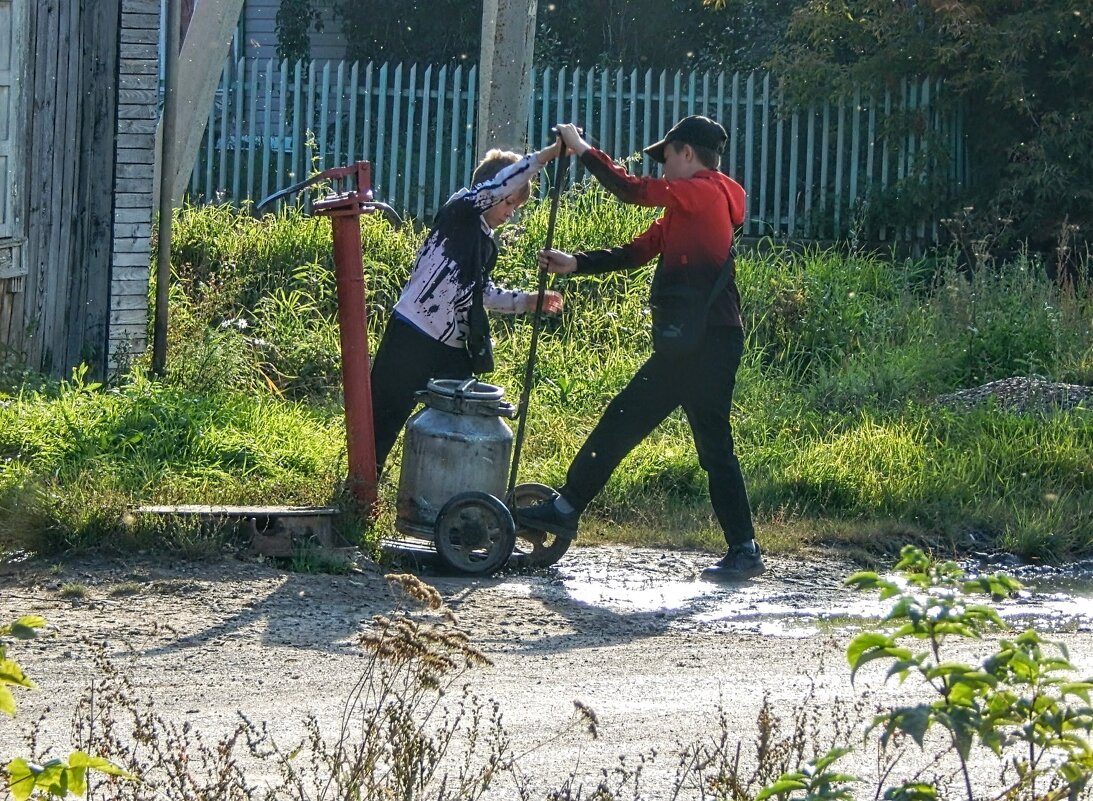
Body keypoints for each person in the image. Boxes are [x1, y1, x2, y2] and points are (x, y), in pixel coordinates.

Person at [516, 117, 763, 580]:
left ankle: (743, 550)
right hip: (694, 344)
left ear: (686, 152)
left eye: (666, 156)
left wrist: (583, 149)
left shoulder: (706, 192)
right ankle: (743, 549)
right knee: (638, 423)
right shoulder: (686, 208)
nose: (663, 167)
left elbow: (629, 190)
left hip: (707, 345)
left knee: (693, 441)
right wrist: (576, 263)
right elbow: (633, 253)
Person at [370, 139, 565, 475]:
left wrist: (526, 301)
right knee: (383, 417)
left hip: (451, 347)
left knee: (460, 418)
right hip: (413, 331)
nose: (511, 213)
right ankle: (364, 483)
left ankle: (448, 484)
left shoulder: (486, 242)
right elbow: (501, 183)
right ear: (496, 192)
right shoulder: (460, 210)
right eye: (510, 204)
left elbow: (480, 293)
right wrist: (548, 155)